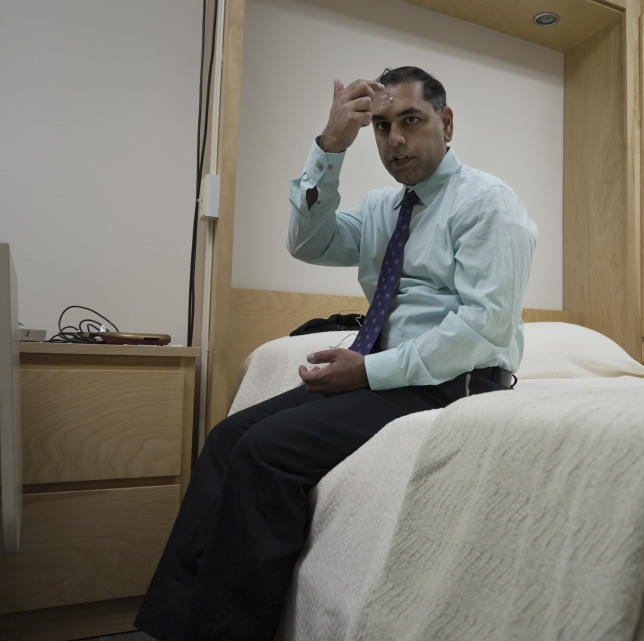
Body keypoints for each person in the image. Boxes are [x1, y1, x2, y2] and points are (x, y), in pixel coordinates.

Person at [135, 66, 537, 641]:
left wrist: (368, 369)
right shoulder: (384, 208)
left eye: (411, 121)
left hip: (454, 378)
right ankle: (178, 626)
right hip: (382, 373)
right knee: (227, 440)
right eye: (381, 126)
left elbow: (483, 326)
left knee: (267, 452)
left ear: (446, 124)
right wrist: (330, 147)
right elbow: (309, 241)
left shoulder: (488, 203)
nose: (394, 139)